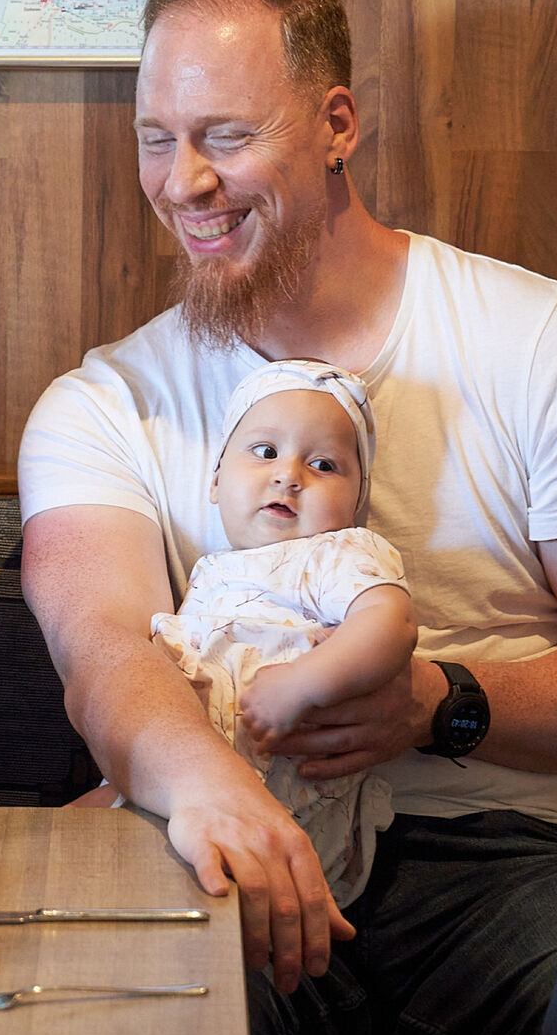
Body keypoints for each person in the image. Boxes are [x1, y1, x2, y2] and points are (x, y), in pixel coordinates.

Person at [18, 0, 557, 1035]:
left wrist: (439, 701)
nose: (183, 181)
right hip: (233, 836)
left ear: (335, 123)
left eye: (224, 135)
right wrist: (209, 791)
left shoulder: (539, 342)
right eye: (154, 137)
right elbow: (103, 654)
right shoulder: (104, 404)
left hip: (495, 853)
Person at [152, 359, 415, 909]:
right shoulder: (210, 571)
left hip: (290, 790)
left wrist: (305, 683)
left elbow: (391, 622)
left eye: (323, 464)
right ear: (216, 479)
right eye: (265, 452)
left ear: (355, 506)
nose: (289, 474)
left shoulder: (335, 553)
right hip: (191, 783)